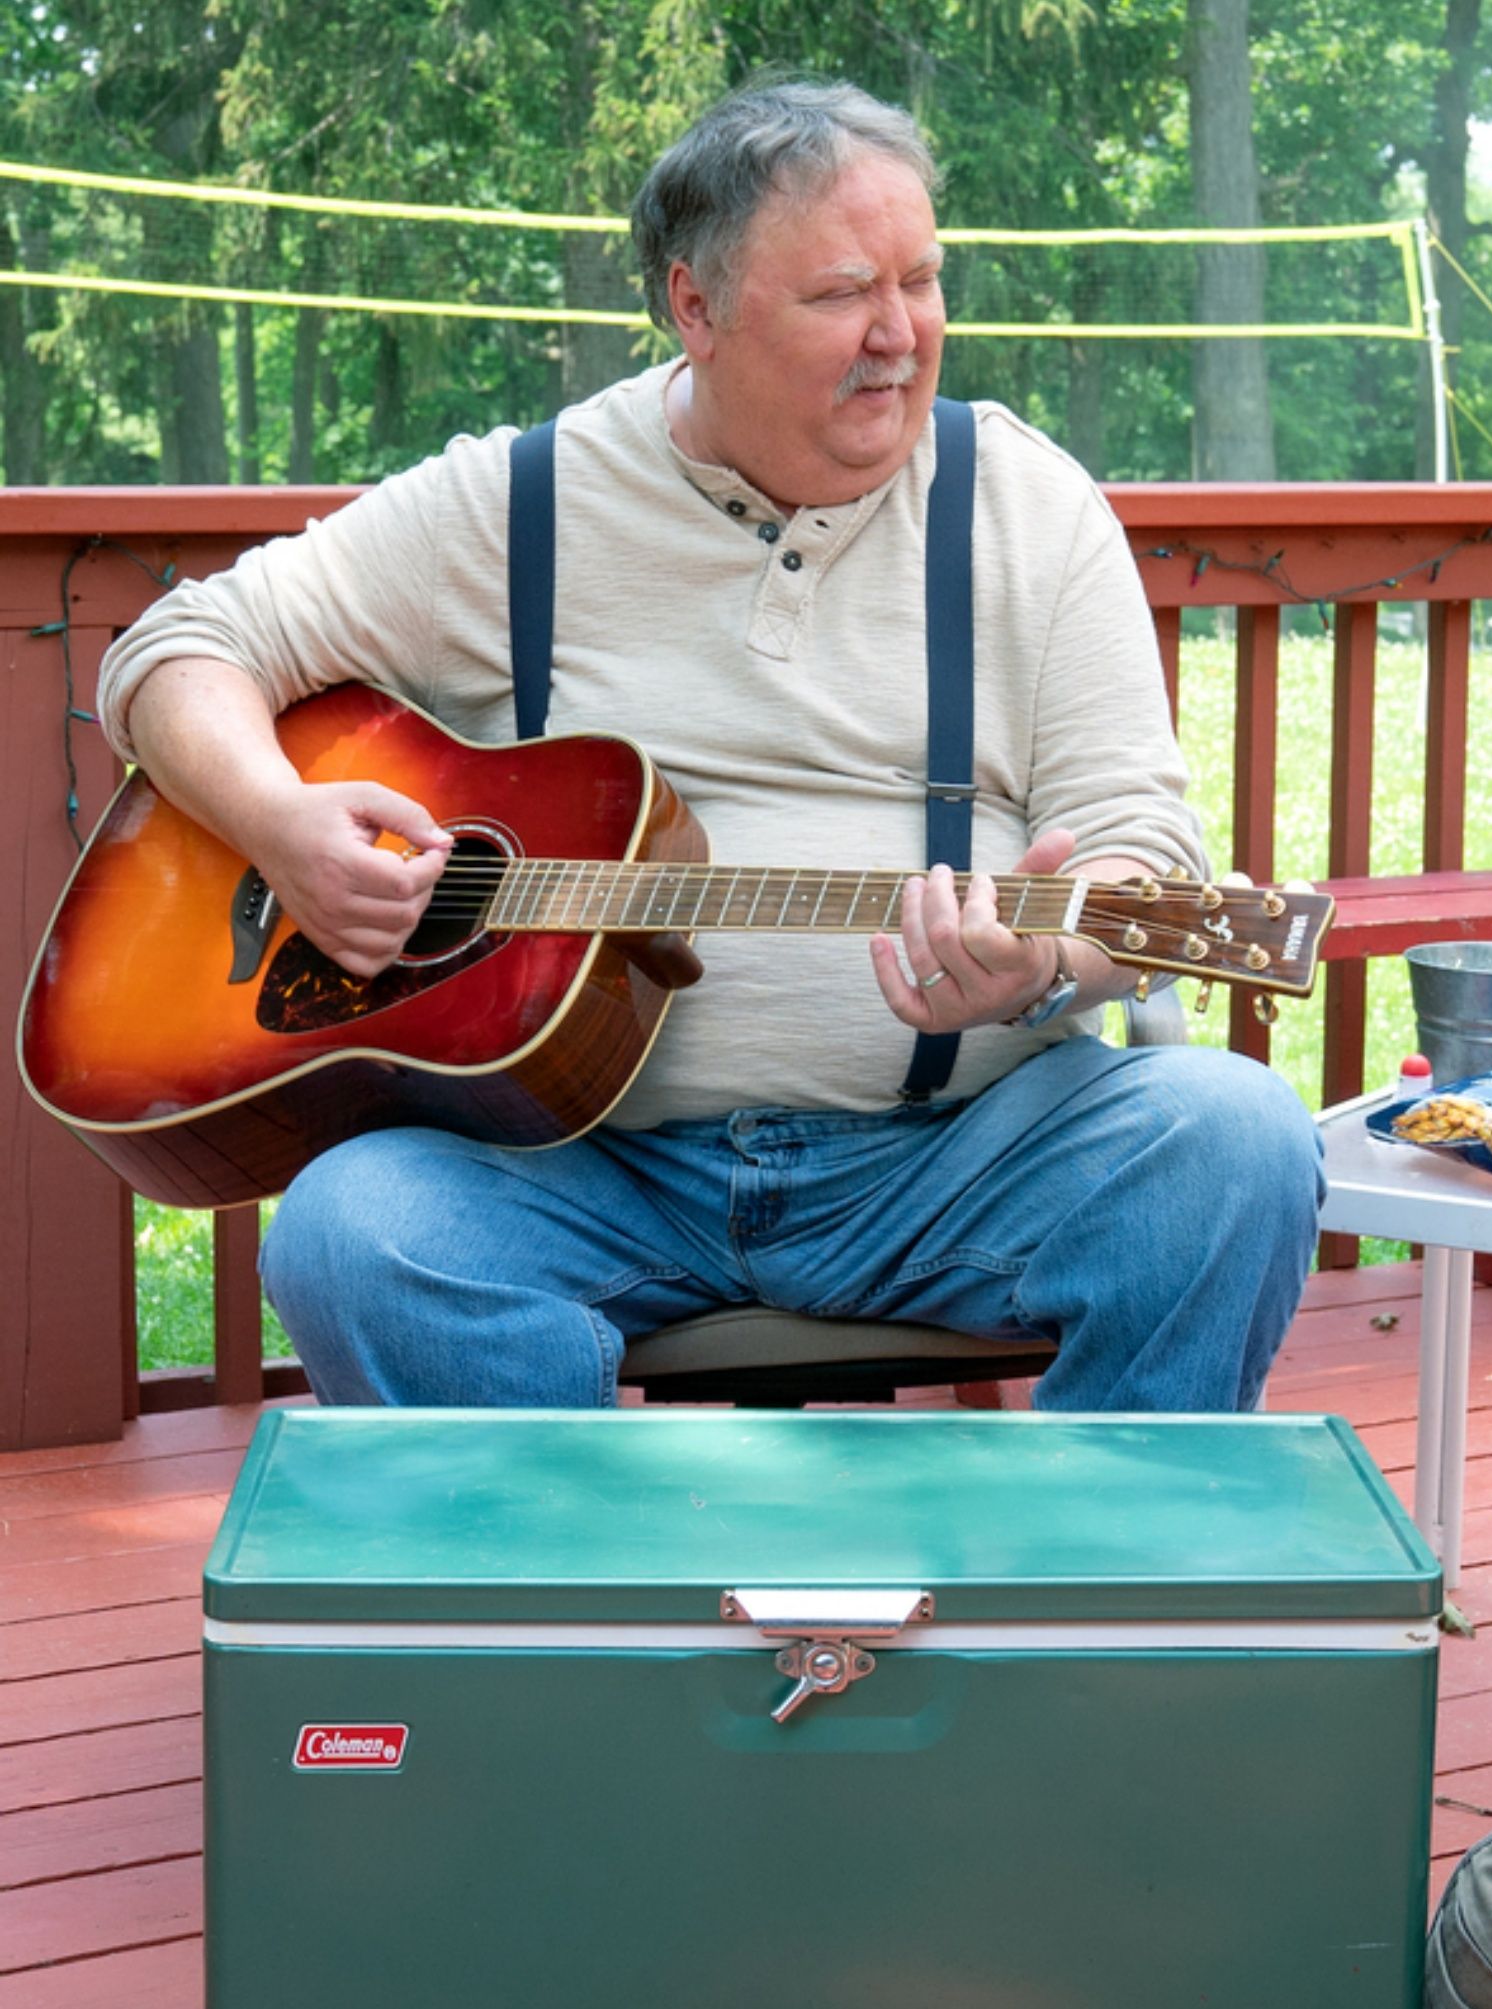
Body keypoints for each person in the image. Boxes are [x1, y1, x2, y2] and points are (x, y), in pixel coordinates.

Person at [96, 79, 1321, 1412]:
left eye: (924, 280)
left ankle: (1095, 1593)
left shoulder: (1030, 506)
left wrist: (1043, 961)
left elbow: (1142, 850)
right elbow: (175, 652)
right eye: (843, 293)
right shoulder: (525, 501)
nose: (901, 334)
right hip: (591, 1170)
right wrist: (283, 824)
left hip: (960, 1154)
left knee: (1238, 1140)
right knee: (352, 1230)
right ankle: (592, 1601)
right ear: (696, 307)